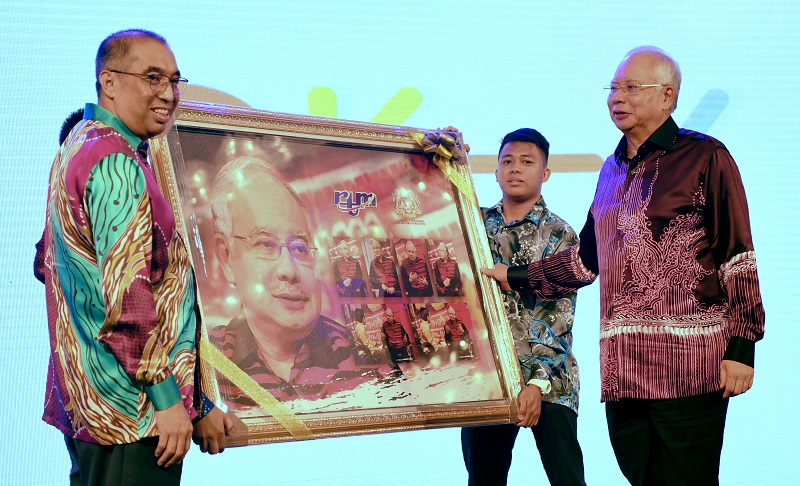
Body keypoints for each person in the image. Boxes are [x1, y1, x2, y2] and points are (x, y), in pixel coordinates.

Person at [483, 47, 765, 486]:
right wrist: (514, 275)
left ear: (667, 96)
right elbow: (584, 261)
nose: (618, 97)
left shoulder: (705, 155)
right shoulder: (611, 170)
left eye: (631, 87)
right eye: (614, 88)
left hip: (691, 368)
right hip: (625, 373)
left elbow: (737, 254)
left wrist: (742, 348)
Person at [34, 29, 229, 485]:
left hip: (99, 404)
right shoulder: (117, 162)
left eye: (175, 80)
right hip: (133, 414)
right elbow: (128, 304)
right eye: (153, 78)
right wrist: (168, 400)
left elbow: (47, 263)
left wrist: (197, 400)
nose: (168, 92)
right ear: (110, 82)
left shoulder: (79, 143)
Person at [462, 128, 584, 485]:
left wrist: (537, 384)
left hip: (550, 381)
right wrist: (447, 158)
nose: (515, 168)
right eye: (507, 161)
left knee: (568, 480)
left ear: (545, 173)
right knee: (484, 478)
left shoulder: (561, 234)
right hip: (488, 380)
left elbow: (558, 314)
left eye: (527, 162)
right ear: (496, 171)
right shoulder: (474, 224)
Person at [208, 156, 366, 403]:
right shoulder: (202, 364)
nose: (290, 270)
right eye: (266, 244)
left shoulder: (361, 352)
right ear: (227, 257)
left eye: (300, 248)